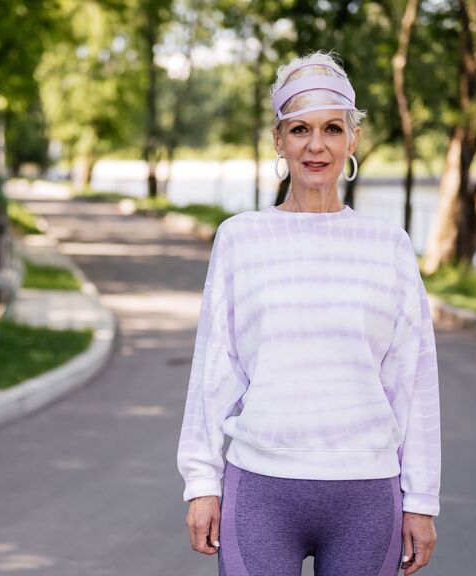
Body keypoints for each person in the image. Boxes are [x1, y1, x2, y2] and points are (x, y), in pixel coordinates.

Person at [176, 51, 441, 576]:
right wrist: (202, 481)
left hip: (366, 496)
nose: (316, 145)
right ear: (278, 139)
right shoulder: (240, 238)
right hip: (260, 490)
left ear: (352, 139)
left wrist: (422, 499)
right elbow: (214, 368)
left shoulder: (388, 243)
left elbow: (412, 378)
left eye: (332, 128)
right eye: (299, 129)